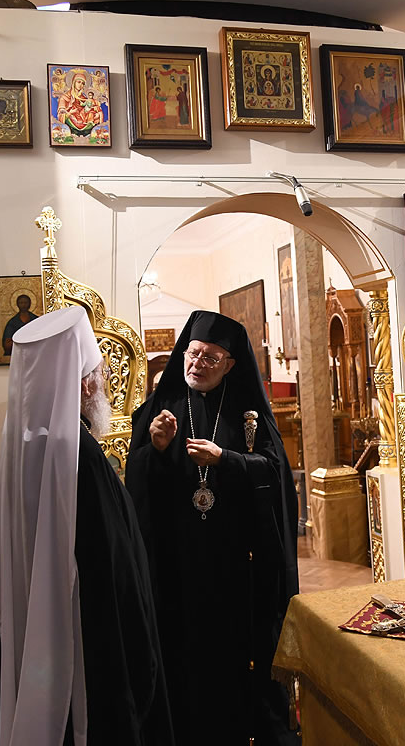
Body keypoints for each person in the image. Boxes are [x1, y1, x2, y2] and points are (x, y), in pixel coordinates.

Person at [0, 306, 173, 746]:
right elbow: (113, 560)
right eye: (98, 373)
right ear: (84, 382)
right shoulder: (78, 455)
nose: (102, 382)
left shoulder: (26, 443)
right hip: (88, 629)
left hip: (45, 621)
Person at [126, 310, 300, 746]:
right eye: (193, 353)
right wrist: (157, 449)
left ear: (230, 364)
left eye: (211, 357)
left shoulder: (248, 413)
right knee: (181, 654)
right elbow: (137, 482)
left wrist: (227, 460)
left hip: (234, 564)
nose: (198, 363)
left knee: (231, 656)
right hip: (176, 562)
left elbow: (274, 473)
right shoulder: (160, 408)